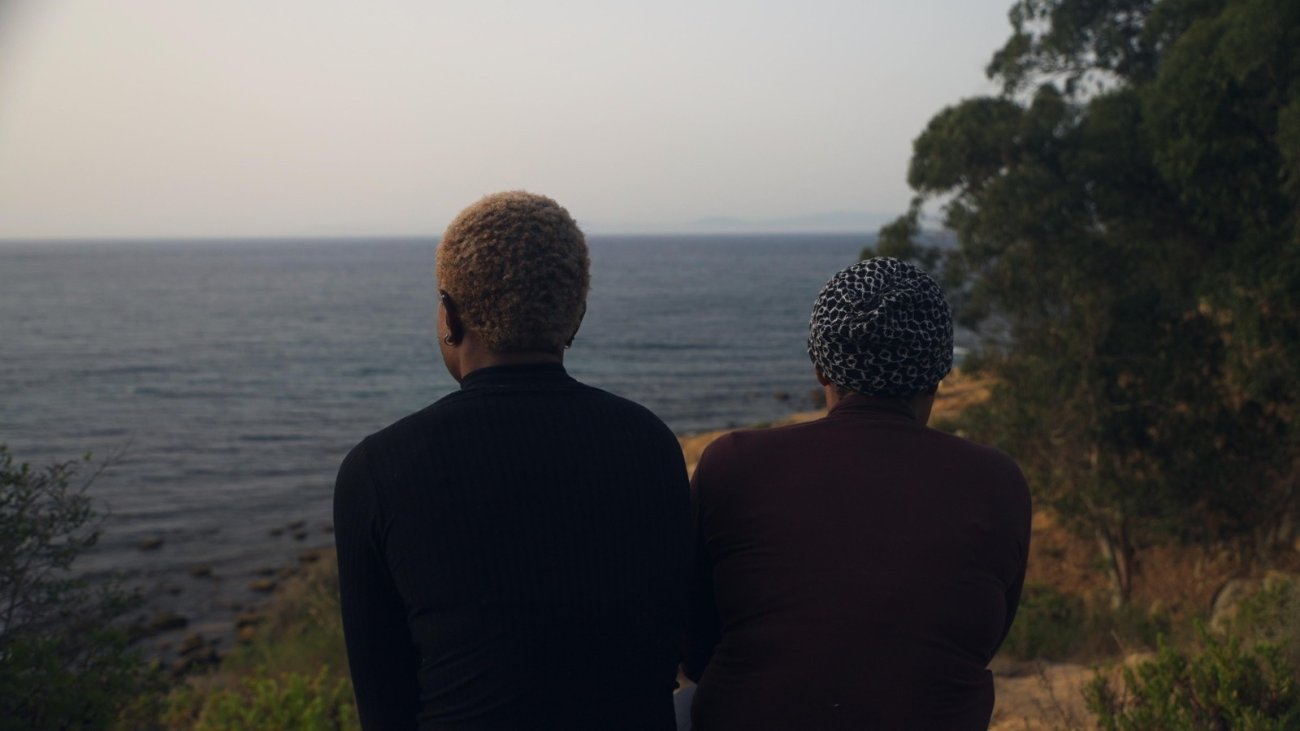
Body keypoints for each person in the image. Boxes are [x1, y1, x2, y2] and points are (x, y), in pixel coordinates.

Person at [334, 191, 691, 730]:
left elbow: (384, 705)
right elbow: (670, 645)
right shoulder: (650, 444)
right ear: (576, 318)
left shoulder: (379, 469)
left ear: (449, 317)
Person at [683, 257, 1031, 730]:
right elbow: (978, 639)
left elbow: (696, 643)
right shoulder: (997, 482)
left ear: (821, 369)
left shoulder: (732, 462)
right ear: (938, 374)